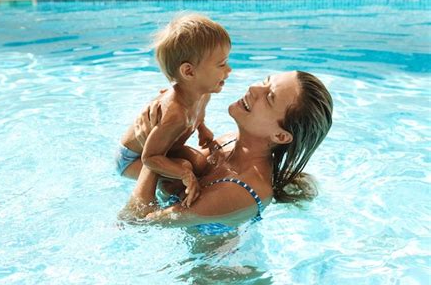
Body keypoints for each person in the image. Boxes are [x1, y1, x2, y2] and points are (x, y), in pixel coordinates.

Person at [119, 71, 333, 235]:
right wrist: (168, 116)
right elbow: (158, 174)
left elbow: (137, 221)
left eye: (269, 97)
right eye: (265, 81)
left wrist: (155, 148)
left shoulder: (238, 191)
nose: (253, 88)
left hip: (217, 279)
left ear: (280, 136)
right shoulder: (228, 143)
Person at [116, 13, 232, 206]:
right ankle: (143, 212)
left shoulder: (203, 93)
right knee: (183, 174)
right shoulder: (175, 115)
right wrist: (184, 175)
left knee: (202, 165)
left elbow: (197, 114)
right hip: (132, 159)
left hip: (165, 149)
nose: (229, 70)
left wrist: (202, 128)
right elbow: (150, 157)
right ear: (188, 71)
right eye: (221, 64)